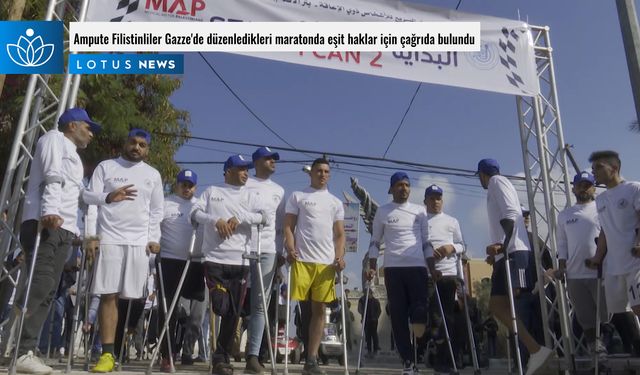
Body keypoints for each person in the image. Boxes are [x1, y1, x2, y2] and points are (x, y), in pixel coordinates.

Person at [12, 108, 127, 374]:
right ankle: (23, 349)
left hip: (63, 227)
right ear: (73, 125)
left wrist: (107, 198)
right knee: (41, 285)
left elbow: (81, 195)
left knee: (49, 289)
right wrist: (49, 210)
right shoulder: (53, 140)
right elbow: (52, 176)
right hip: (47, 222)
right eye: (89, 128)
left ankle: (25, 346)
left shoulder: (74, 156)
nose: (91, 134)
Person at [86, 128, 164, 373]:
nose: (137, 147)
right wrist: (91, 235)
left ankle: (121, 348)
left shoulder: (153, 174)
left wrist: (153, 238)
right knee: (108, 295)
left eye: (142, 144)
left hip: (138, 242)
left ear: (147, 149)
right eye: (133, 142)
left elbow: (156, 211)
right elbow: (89, 199)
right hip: (109, 238)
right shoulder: (106, 167)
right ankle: (107, 354)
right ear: (125, 143)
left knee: (133, 297)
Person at [190, 154, 267, 375]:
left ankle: (220, 358)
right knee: (220, 305)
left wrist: (241, 217)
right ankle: (218, 354)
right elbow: (195, 213)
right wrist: (216, 220)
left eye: (247, 170)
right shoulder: (212, 192)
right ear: (228, 171)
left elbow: (264, 217)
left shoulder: (252, 195)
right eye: (241, 169)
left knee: (234, 313)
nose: (246, 173)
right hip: (215, 258)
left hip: (241, 260)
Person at [476, 158, 552, 375]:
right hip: (505, 255)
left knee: (517, 304)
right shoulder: (495, 187)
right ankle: (536, 351)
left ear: (482, 174)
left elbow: (511, 213)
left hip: (514, 253)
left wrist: (503, 245)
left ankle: (533, 355)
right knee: (497, 305)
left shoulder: (497, 182)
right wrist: (498, 251)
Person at [284, 158, 346, 375]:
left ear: (329, 175)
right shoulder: (298, 196)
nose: (322, 174)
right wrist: (290, 248)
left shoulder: (335, 202)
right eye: (319, 171)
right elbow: (289, 227)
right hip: (302, 261)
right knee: (301, 308)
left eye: (326, 171)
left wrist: (340, 257)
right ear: (311, 173)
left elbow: (339, 235)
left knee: (320, 310)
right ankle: (299, 342)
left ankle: (311, 359)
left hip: (325, 263)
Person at [367, 171, 428, 375]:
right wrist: (372, 265)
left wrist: (433, 267)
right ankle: (408, 362)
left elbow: (426, 242)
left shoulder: (420, 211)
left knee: (420, 312)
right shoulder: (383, 212)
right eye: (400, 185)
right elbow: (375, 241)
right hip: (393, 269)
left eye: (407, 185)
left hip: (418, 267)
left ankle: (419, 349)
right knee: (398, 316)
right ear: (392, 189)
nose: (404, 189)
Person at [547, 171, 607, 363]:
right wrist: (562, 266)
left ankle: (616, 342)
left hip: (601, 271)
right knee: (584, 315)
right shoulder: (565, 215)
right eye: (579, 185)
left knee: (607, 312)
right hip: (575, 274)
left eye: (587, 185)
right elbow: (562, 243)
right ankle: (594, 347)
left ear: (593, 188)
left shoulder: (601, 209)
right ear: (573, 188)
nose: (583, 188)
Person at [586, 150, 640, 356]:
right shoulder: (600, 200)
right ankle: (634, 346)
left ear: (614, 168)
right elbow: (605, 231)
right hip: (614, 265)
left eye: (598, 167)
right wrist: (597, 257)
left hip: (635, 261)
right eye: (593, 169)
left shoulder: (633, 189)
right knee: (618, 311)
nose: (594, 173)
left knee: (638, 306)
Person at [156, 169, 205, 371]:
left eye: (190, 185)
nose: (187, 188)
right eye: (183, 184)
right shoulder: (165, 203)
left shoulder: (201, 204)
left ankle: (188, 349)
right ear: (176, 184)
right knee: (168, 309)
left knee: (197, 313)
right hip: (169, 261)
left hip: (195, 262)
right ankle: (166, 354)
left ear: (196, 186)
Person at [244, 147, 285, 374]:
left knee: (260, 305)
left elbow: (280, 226)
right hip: (241, 248)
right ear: (257, 162)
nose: (273, 162)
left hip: (267, 251)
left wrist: (279, 254)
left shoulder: (279, 191)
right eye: (269, 159)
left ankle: (253, 356)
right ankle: (223, 353)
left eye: (274, 160)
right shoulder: (245, 185)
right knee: (235, 304)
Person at [423, 184, 465, 372]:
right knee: (434, 318)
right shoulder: (421, 221)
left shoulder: (452, 221)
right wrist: (428, 252)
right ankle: (433, 351)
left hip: (449, 274)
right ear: (425, 201)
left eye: (438, 198)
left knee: (447, 319)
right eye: (432, 198)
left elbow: (463, 245)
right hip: (428, 275)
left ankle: (446, 360)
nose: (436, 201)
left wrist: (451, 248)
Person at [357, 290, 381, 358]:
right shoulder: (362, 300)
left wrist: (376, 317)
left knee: (374, 335)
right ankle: (369, 351)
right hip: (366, 320)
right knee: (368, 336)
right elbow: (359, 309)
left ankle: (375, 350)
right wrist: (363, 313)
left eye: (368, 293)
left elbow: (379, 310)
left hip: (373, 321)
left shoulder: (376, 301)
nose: (367, 295)